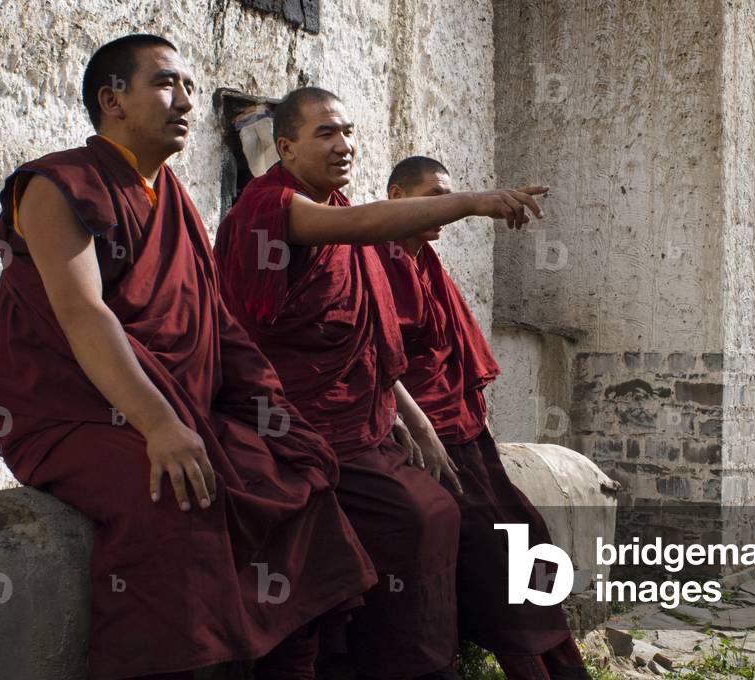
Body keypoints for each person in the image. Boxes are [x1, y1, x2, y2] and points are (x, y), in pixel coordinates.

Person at [0, 35, 377, 680]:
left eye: (190, 86)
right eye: (165, 84)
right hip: (75, 411)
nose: (185, 100)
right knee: (178, 501)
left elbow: (215, 323)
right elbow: (84, 313)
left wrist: (276, 415)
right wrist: (158, 424)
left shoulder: (177, 202)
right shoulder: (56, 185)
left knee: (299, 485)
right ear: (112, 100)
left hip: (178, 406)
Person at [212, 87, 547, 679]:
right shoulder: (268, 209)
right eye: (326, 134)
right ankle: (405, 664)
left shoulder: (334, 208)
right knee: (415, 518)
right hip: (292, 425)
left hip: (362, 422)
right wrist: (472, 202)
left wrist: (414, 420)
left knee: (442, 513)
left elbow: (366, 337)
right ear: (284, 147)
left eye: (348, 133)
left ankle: (418, 658)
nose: (344, 146)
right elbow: (361, 224)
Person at [380, 157, 590, 680]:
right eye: (434, 195)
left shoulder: (426, 262)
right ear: (396, 195)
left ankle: (562, 664)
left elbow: (454, 355)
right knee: (492, 555)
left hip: (466, 434)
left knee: (527, 531)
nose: (446, 210)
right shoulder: (376, 260)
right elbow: (375, 356)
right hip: (420, 435)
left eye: (451, 197)